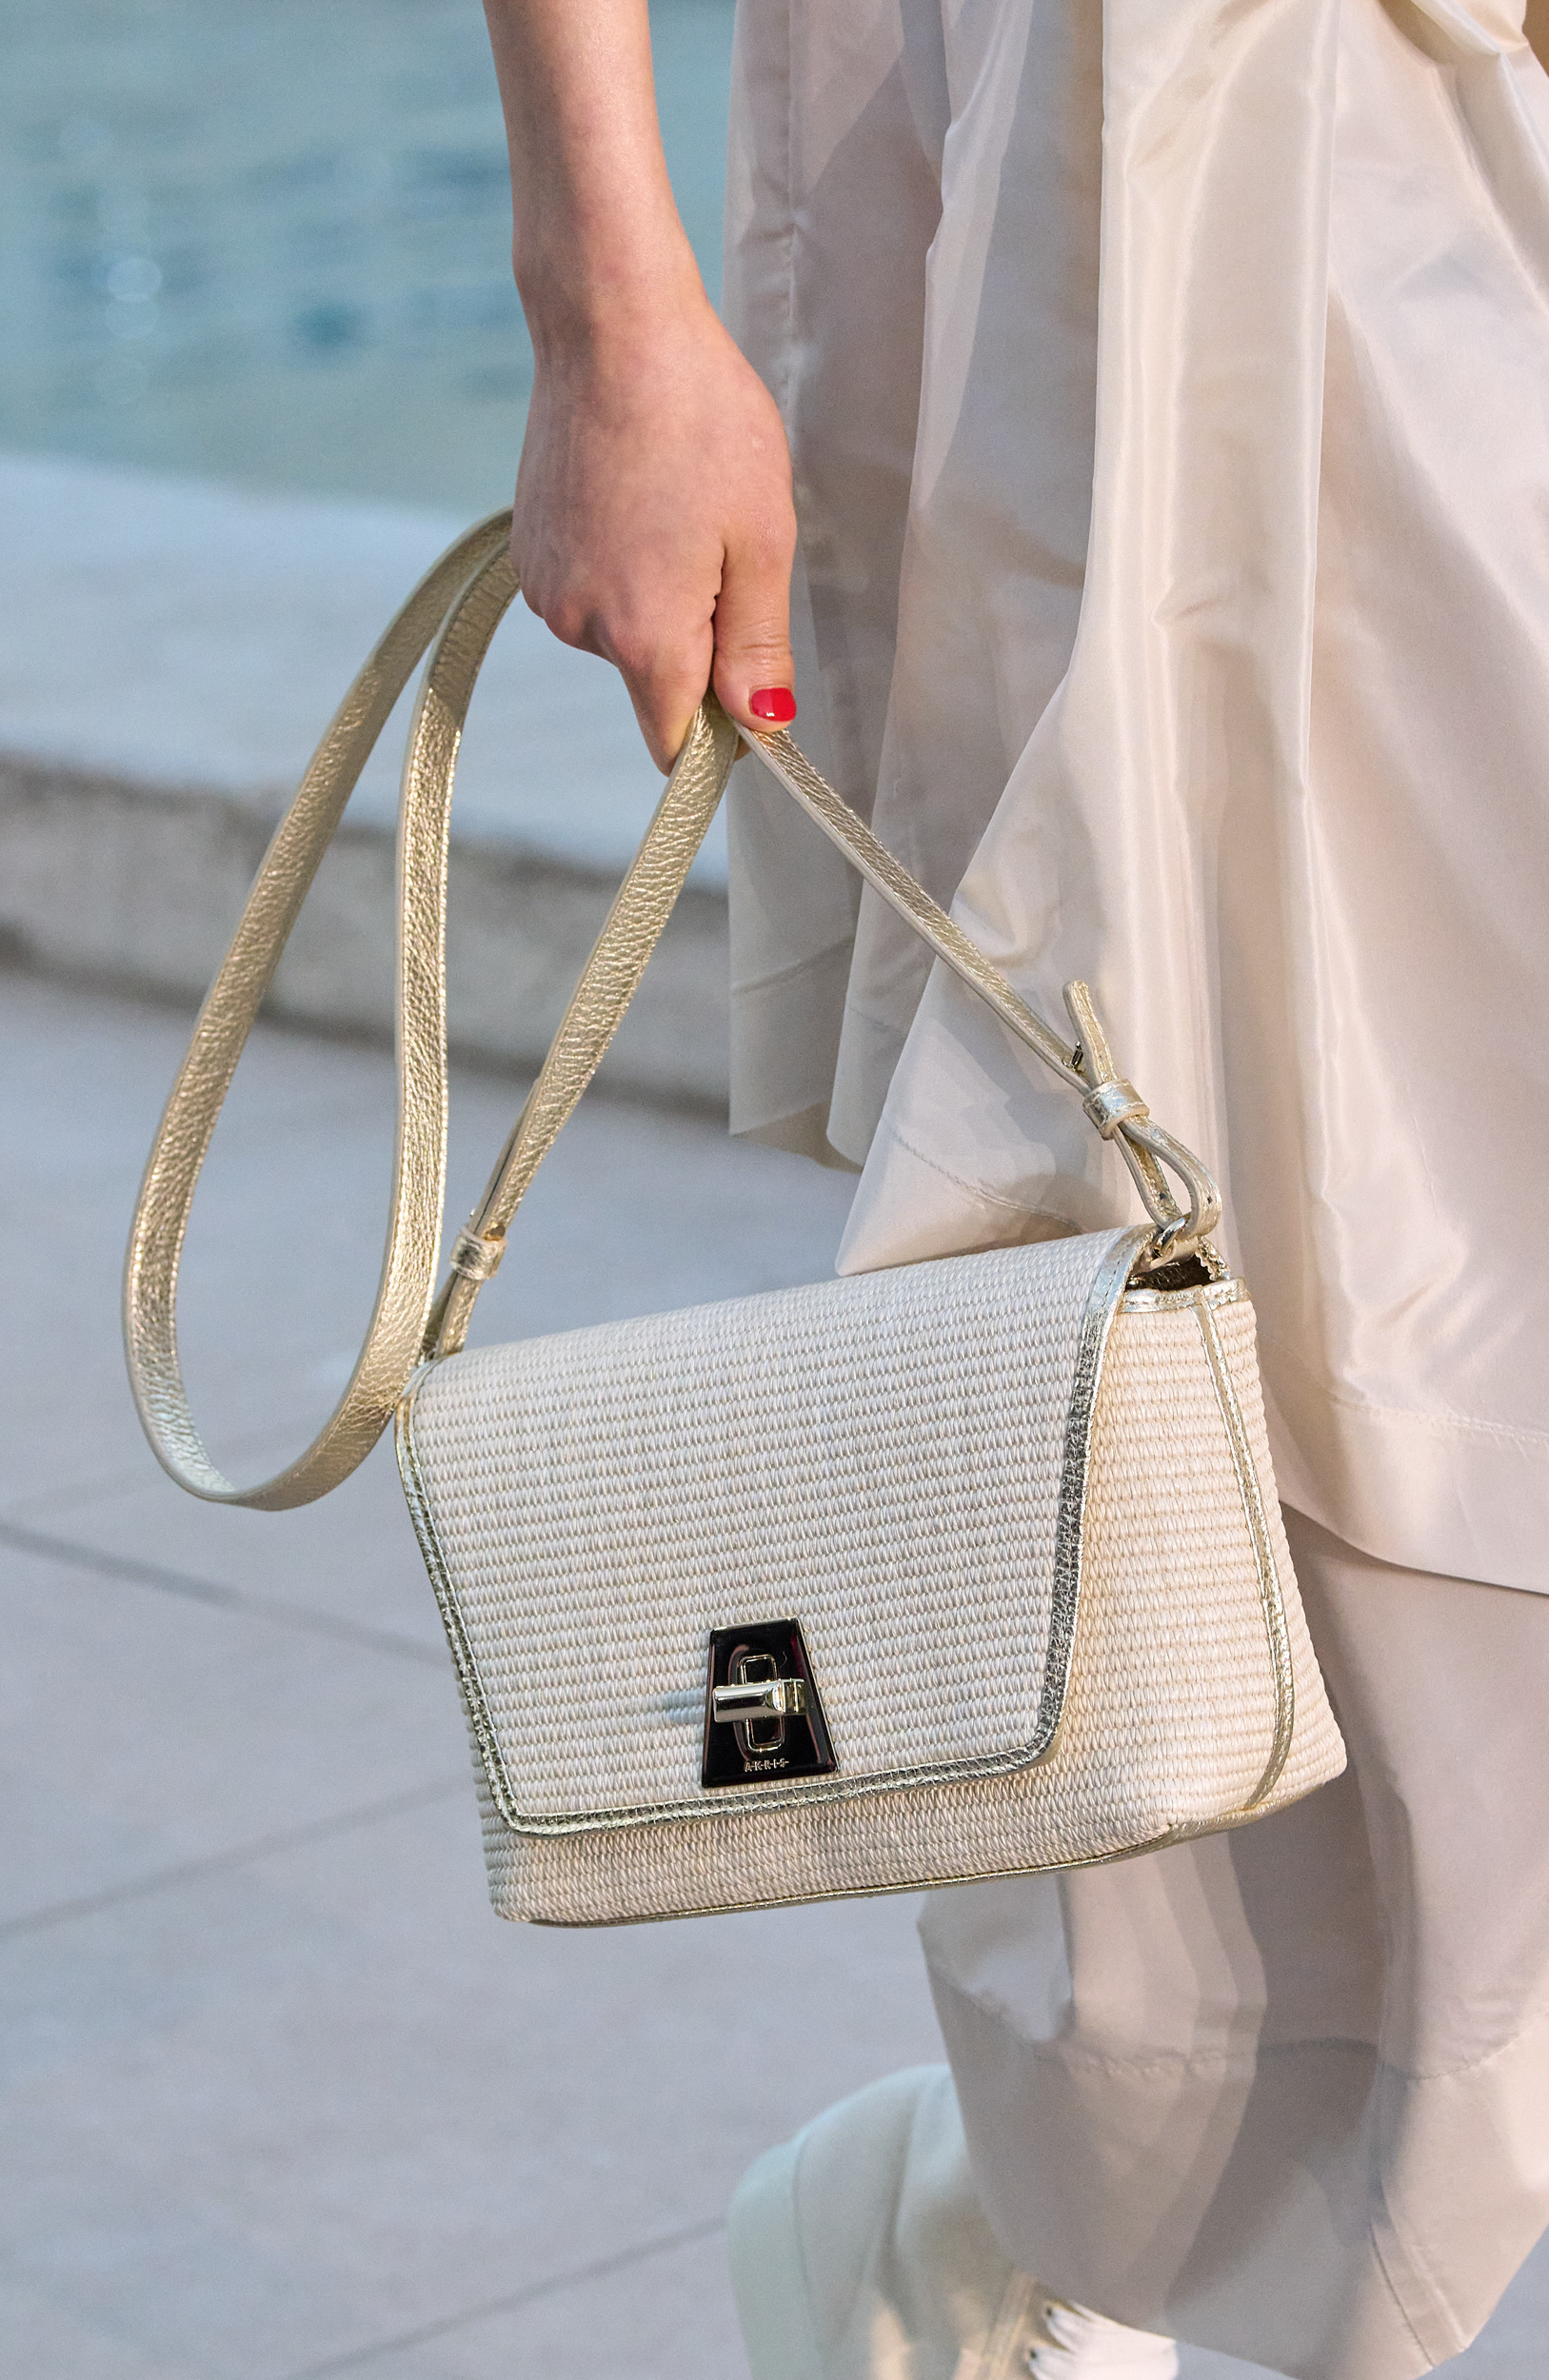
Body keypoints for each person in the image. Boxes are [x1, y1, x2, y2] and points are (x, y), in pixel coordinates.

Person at [479, 0, 1549, 2372]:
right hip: (1148, 191)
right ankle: (1064, 2214)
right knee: (1264, 1365)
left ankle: (1025, 2225)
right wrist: (601, 303)